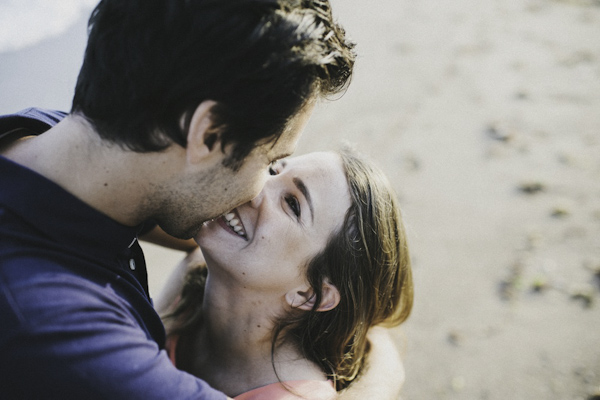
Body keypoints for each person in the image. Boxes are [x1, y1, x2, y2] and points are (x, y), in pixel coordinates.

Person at [0, 0, 406, 399]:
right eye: (271, 160)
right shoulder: (69, 339)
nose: (257, 191)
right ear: (208, 135)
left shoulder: (59, 146)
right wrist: (384, 375)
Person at [158, 148, 414, 399]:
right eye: (272, 169)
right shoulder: (193, 279)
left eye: (292, 204)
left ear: (310, 294)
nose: (254, 187)